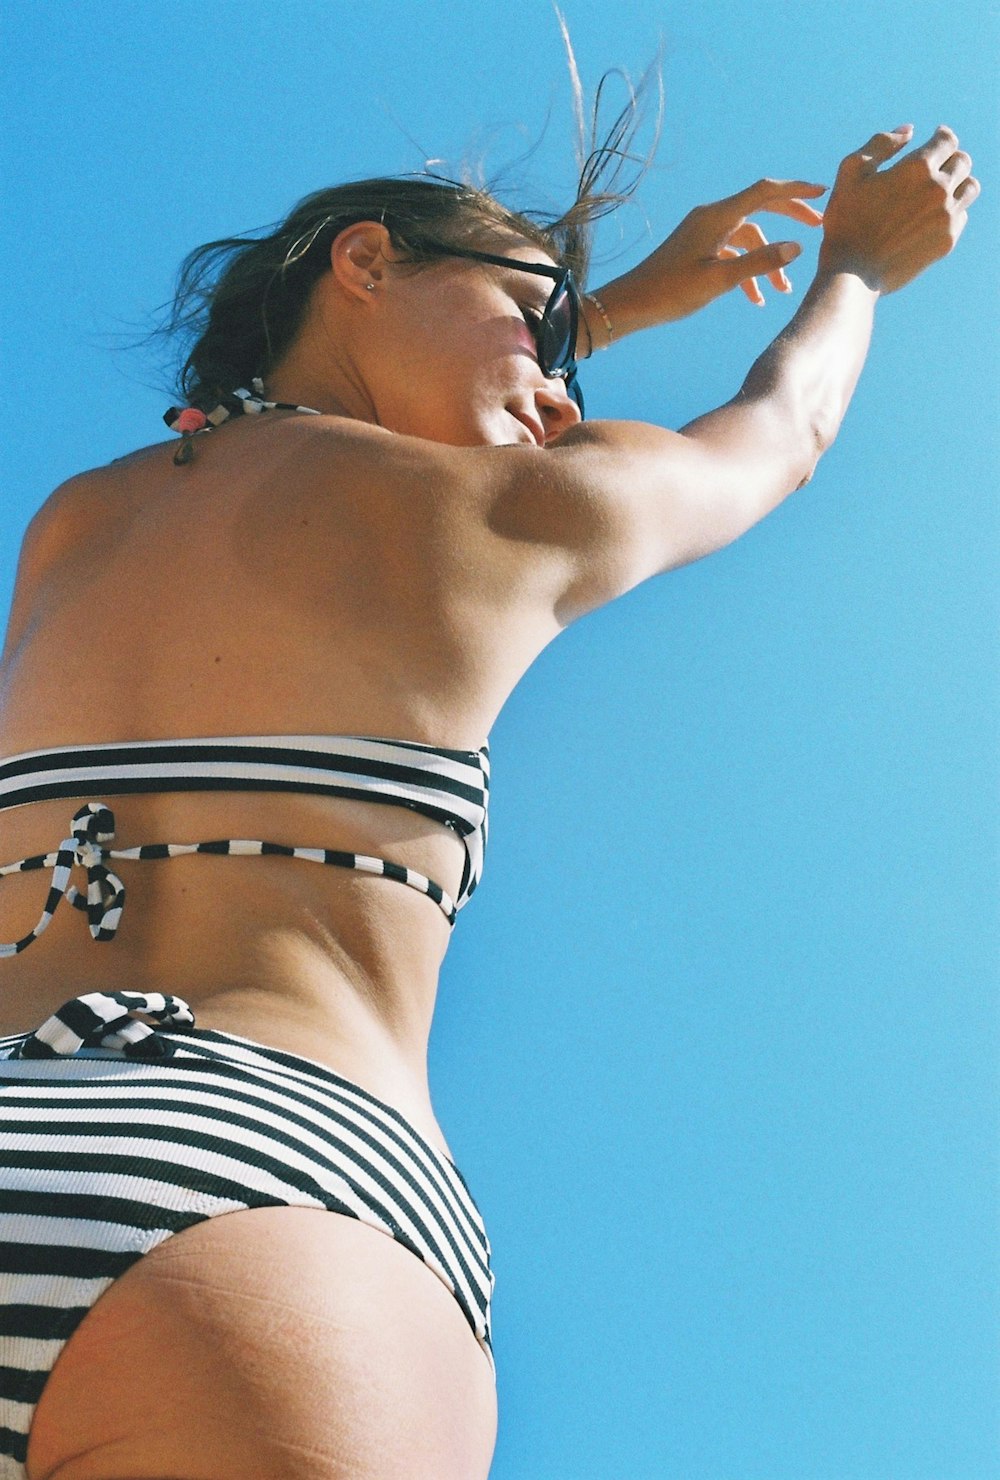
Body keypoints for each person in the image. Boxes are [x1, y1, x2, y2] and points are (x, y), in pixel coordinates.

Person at [0, 107, 978, 1479]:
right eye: (536, 323)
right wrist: (858, 270)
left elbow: (301, 436)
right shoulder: (508, 526)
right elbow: (782, 432)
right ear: (364, 261)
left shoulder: (77, 526)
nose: (561, 385)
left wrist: (581, 311)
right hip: (266, 1182)